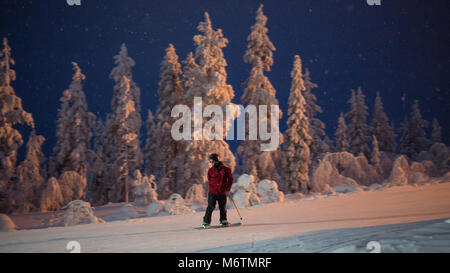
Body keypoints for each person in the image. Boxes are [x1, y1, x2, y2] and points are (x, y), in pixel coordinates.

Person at [202, 153, 234, 228]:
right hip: (212, 192)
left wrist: (227, 187)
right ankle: (206, 222)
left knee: (222, 207)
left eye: (211, 160)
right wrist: (213, 186)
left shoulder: (226, 170)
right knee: (210, 207)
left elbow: (230, 179)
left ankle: (223, 221)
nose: (210, 162)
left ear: (216, 160)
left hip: (222, 192)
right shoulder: (210, 170)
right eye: (210, 161)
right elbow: (209, 179)